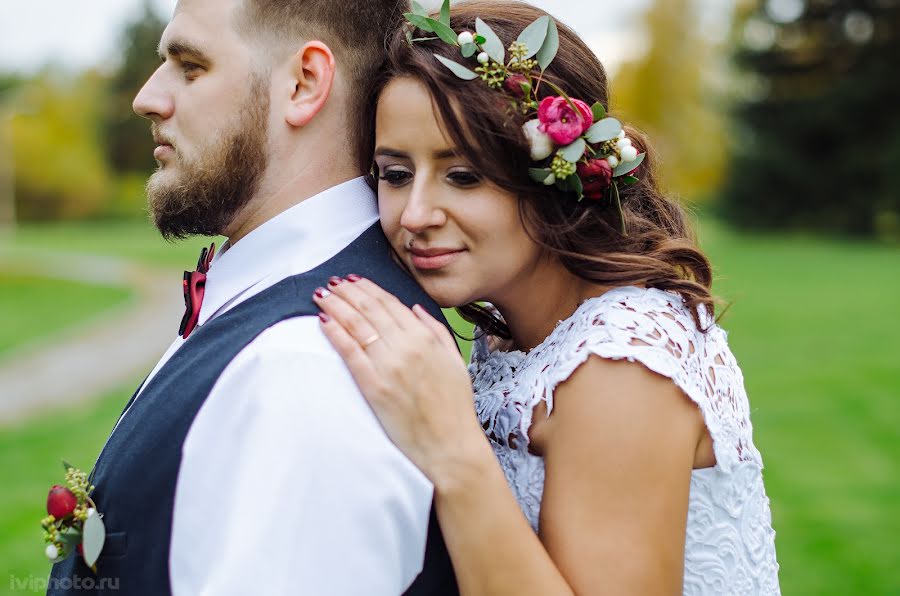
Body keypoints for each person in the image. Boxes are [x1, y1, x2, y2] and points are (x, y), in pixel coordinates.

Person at [313, 1, 781, 594]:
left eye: (463, 176)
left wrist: (453, 448)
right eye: (395, 174)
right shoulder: (510, 332)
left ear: (556, 175)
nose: (415, 215)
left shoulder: (621, 370)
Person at [47, 0, 459, 594]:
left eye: (189, 66)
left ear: (303, 83)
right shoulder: (282, 317)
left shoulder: (306, 366)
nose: (147, 97)